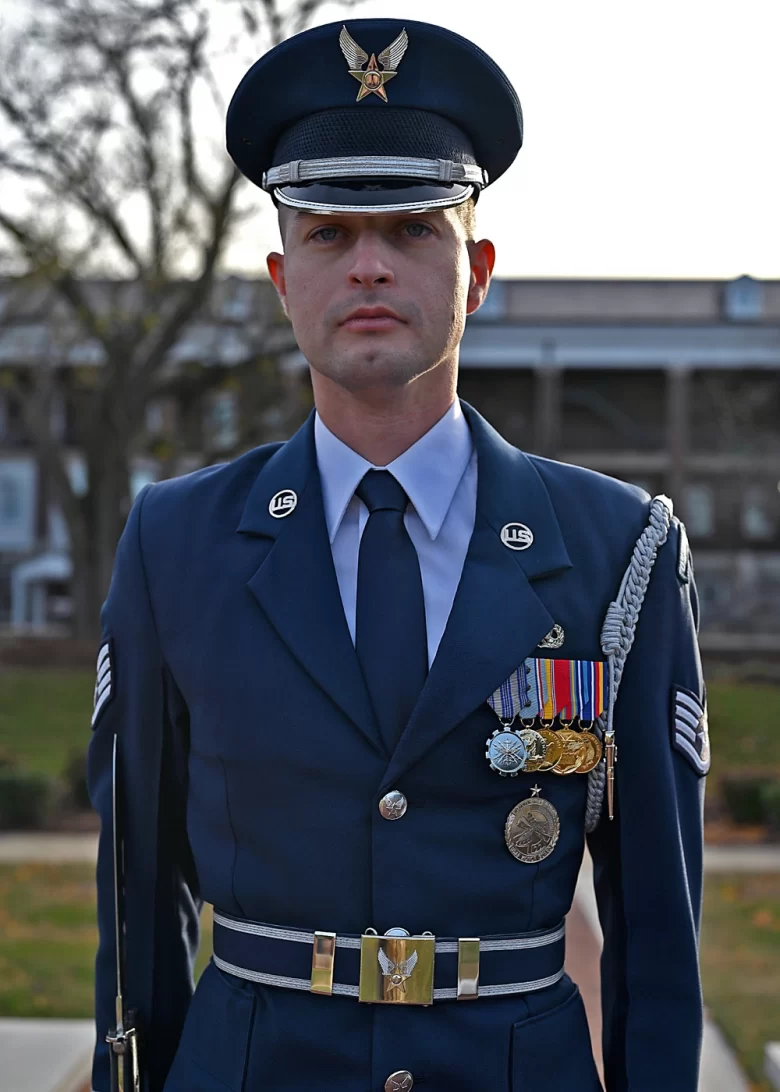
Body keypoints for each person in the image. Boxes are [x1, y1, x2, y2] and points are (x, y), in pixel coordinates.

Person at [87, 17, 709, 1092]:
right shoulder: (175, 542)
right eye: (328, 233)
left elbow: (657, 925)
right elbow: (139, 896)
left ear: (477, 273)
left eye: (414, 229)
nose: (368, 264)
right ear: (283, 281)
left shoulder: (619, 550)